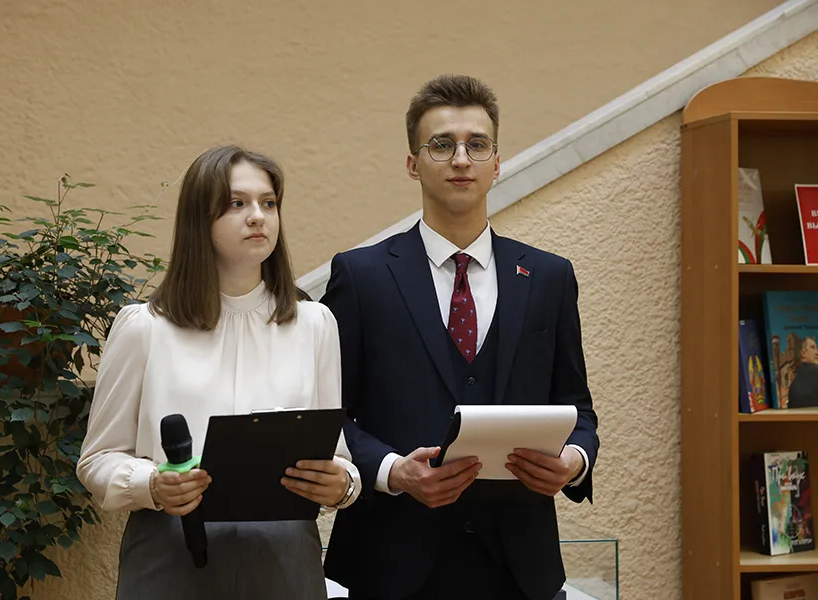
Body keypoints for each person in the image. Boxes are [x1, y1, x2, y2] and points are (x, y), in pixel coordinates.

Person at [320, 74, 599, 600]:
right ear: (413, 163)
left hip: (521, 568)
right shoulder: (360, 276)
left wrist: (573, 461)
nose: (461, 159)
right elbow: (330, 411)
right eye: (442, 145)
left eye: (477, 145)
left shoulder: (549, 277)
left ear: (498, 162)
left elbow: (576, 405)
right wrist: (393, 472)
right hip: (390, 561)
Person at [76, 145, 361, 600]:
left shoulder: (314, 325)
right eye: (236, 203)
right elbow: (97, 461)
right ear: (199, 220)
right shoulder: (144, 328)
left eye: (269, 203)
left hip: (285, 556)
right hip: (172, 551)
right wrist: (153, 485)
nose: (258, 217)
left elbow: (337, 455)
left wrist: (343, 484)